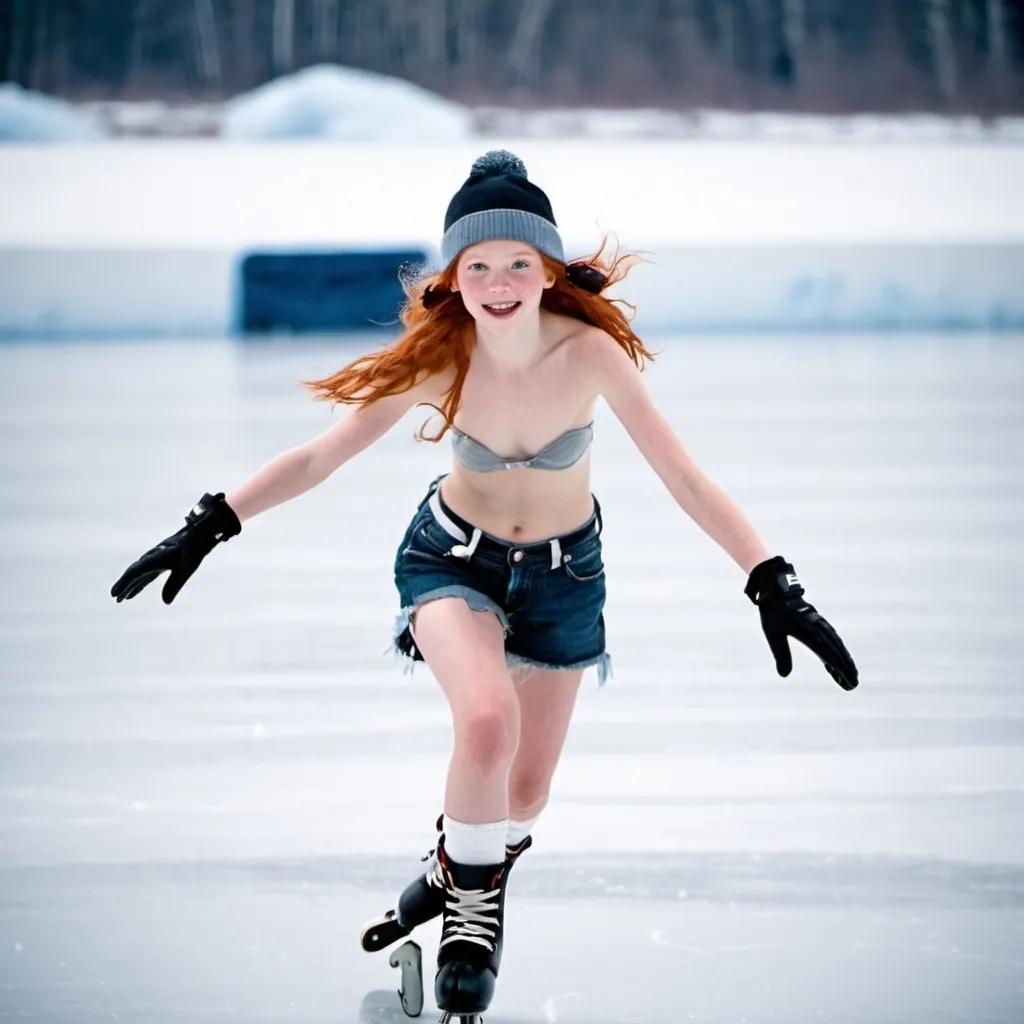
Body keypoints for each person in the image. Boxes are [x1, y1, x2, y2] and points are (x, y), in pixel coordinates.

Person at [111, 149, 858, 1020]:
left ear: (546, 271)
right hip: (449, 561)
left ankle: (451, 865)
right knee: (487, 721)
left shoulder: (590, 356)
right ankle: (473, 917)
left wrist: (774, 581)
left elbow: (685, 478)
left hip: (566, 575)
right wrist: (212, 522)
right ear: (454, 276)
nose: (499, 282)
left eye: (517, 263)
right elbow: (322, 454)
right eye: (479, 265)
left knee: (526, 792)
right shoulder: (442, 358)